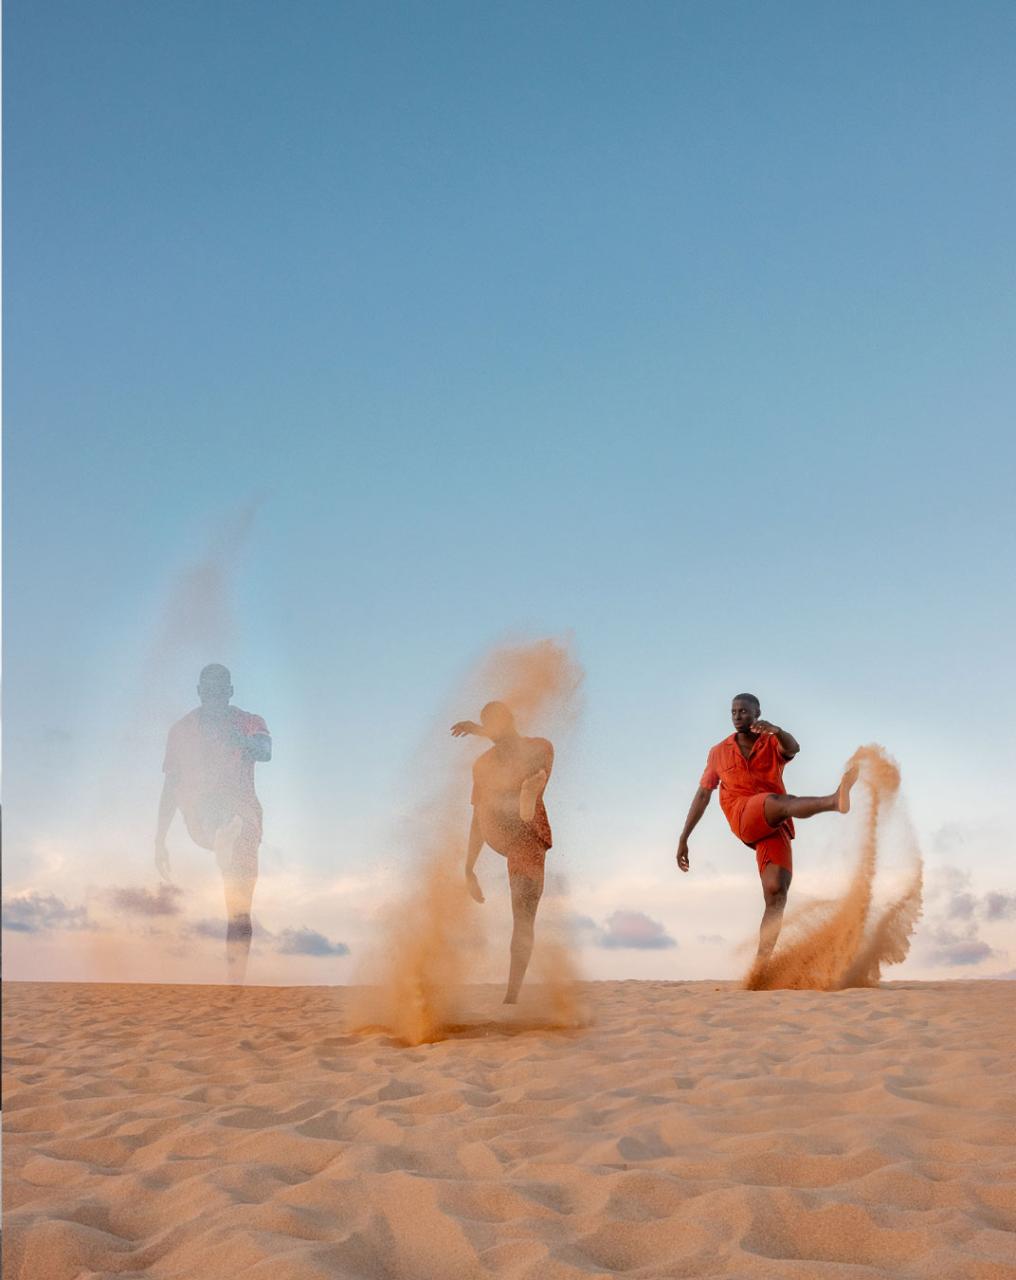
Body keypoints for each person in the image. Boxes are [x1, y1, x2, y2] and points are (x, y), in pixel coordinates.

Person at [675, 693, 857, 963]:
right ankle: (833, 801)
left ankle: (761, 966)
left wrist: (778, 731)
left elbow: (793, 748)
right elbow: (703, 795)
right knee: (776, 802)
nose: (738, 716)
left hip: (775, 824)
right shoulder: (718, 752)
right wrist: (684, 837)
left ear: (757, 713)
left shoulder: (772, 741)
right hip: (742, 814)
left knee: (776, 892)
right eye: (734, 711)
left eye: (744, 711)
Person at [155, 664, 271, 983]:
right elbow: (171, 786)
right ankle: (219, 831)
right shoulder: (182, 731)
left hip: (245, 822)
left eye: (221, 690)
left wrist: (235, 736)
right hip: (201, 812)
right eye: (209, 689)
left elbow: (265, 751)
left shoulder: (249, 722)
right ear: (199, 692)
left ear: (231, 692)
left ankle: (235, 986)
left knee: (238, 911)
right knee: (214, 808)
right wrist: (159, 839)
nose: (215, 695)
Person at [451, 702, 554, 1004]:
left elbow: (515, 745)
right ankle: (524, 793)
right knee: (487, 797)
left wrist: (480, 730)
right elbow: (477, 820)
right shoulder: (482, 765)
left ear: (510, 720)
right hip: (501, 828)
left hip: (527, 838)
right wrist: (468, 867)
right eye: (488, 724)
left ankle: (512, 996)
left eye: (495, 723)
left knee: (522, 920)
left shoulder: (537, 746)